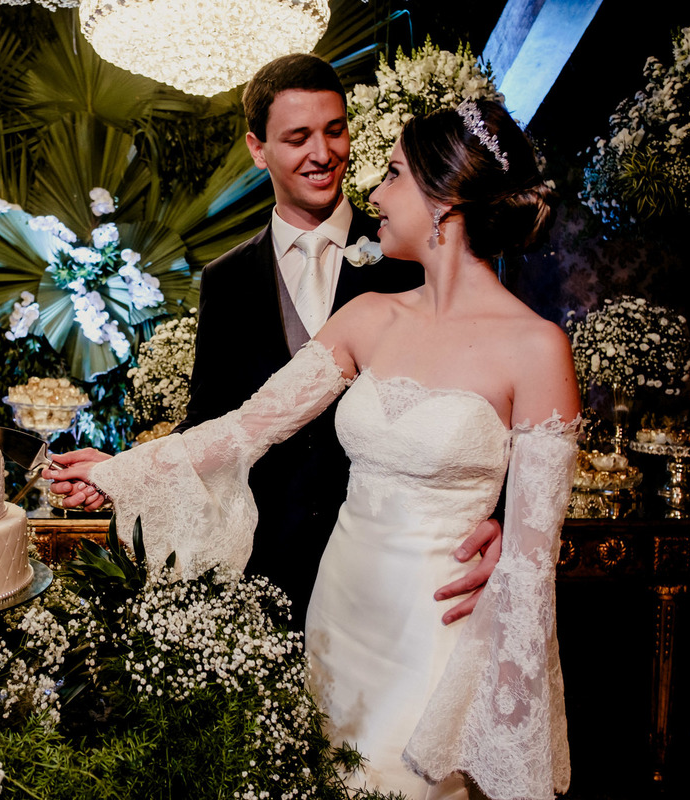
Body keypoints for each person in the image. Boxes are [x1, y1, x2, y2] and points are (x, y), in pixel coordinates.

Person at [48, 99, 580, 799]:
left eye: (393, 174)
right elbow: (248, 426)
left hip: (439, 627)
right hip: (340, 613)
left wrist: (505, 549)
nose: (374, 194)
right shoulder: (367, 317)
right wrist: (124, 471)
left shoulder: (537, 348)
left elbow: (534, 567)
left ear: (444, 201)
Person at [64, 53, 502, 629]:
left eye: (335, 130)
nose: (323, 154)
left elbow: (488, 402)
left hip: (400, 568)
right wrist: (126, 472)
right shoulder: (225, 278)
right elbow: (217, 418)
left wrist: (496, 518)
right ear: (258, 148)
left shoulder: (416, 250)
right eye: (298, 138)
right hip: (267, 560)